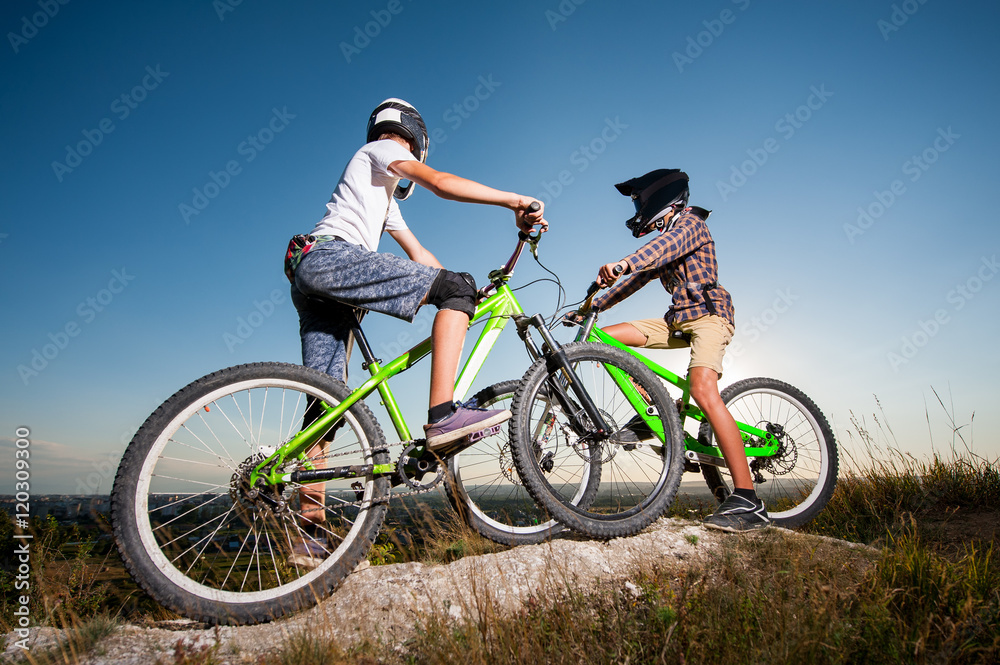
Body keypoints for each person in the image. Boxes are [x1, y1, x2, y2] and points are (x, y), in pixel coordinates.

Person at [283, 98, 546, 565]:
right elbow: (442, 184)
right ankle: (443, 416)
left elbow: (420, 256)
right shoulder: (380, 151)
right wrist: (514, 201)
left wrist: (464, 296)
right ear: (414, 137)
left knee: (325, 406)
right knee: (453, 290)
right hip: (329, 259)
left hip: (315, 273)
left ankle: (309, 534)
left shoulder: (381, 198)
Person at [587, 168, 769, 532]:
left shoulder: (690, 225)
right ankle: (657, 406)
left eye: (641, 200)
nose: (640, 209)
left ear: (662, 199)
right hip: (677, 320)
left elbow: (657, 252)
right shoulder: (666, 237)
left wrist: (623, 262)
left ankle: (749, 499)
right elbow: (635, 281)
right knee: (602, 338)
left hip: (708, 318)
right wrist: (591, 306)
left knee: (702, 389)